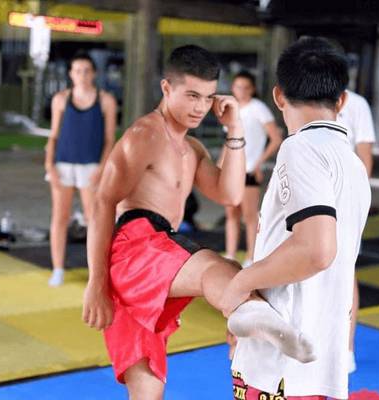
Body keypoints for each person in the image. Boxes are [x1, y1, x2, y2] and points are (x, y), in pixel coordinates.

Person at [81, 45, 314, 400]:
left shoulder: (192, 149)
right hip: (135, 249)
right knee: (220, 270)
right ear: (166, 88)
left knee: (147, 390)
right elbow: (102, 202)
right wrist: (96, 282)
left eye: (207, 98)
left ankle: (247, 321)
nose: (199, 108)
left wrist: (234, 128)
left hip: (154, 260)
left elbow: (230, 194)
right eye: (191, 95)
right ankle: (252, 322)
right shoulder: (144, 135)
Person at [220, 37, 371, 400]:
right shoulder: (352, 164)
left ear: (278, 96)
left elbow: (317, 250)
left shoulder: (300, 147)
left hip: (281, 364)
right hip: (323, 360)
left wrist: (242, 283)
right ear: (342, 101)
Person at [44, 50, 117, 286]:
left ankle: (97, 273)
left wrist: (101, 168)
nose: (82, 75)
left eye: (86, 71)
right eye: (77, 71)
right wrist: (50, 165)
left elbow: (109, 140)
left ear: (94, 73)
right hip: (63, 163)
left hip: (92, 166)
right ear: (71, 74)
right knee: (60, 217)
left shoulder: (106, 100)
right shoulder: (60, 99)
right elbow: (53, 137)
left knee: (93, 220)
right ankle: (57, 269)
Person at [223, 71, 282, 266]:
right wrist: (220, 165)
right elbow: (228, 141)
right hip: (232, 170)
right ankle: (230, 255)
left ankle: (251, 256)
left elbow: (275, 139)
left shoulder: (259, 108)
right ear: (233, 88)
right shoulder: (231, 109)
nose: (242, 91)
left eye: (246, 87)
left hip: (249, 170)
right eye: (238, 86)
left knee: (250, 216)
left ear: (253, 89)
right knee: (231, 214)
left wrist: (259, 163)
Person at [337, 89, 376, 374]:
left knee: (345, 270)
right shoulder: (305, 95)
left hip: (345, 199)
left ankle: (347, 348)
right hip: (314, 197)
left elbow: (365, 155)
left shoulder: (357, 104)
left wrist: (357, 199)